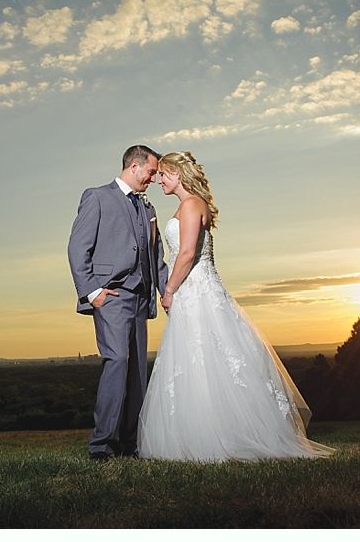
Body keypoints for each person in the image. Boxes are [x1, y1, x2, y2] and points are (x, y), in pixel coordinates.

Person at [137, 151, 334, 462]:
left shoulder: (190, 206)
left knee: (204, 362)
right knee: (199, 363)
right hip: (198, 290)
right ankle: (202, 433)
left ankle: (216, 437)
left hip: (195, 290)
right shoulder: (190, 205)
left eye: (164, 174)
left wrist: (169, 290)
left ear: (177, 174)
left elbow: (187, 254)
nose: (159, 180)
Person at [68, 145, 169, 460]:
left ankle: (130, 443)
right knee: (117, 362)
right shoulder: (97, 197)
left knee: (138, 371)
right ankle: (102, 445)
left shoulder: (148, 209)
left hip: (141, 298)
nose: (153, 179)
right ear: (135, 166)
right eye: (151, 172)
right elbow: (76, 248)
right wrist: (92, 291)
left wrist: (167, 294)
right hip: (110, 295)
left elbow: (157, 258)